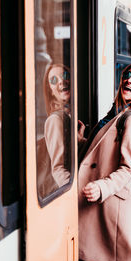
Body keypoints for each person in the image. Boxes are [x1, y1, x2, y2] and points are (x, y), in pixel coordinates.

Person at [78, 62, 131, 261]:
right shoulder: (116, 113)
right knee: (90, 255)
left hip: (110, 204)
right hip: (99, 203)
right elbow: (100, 154)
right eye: (127, 75)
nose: (129, 81)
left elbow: (128, 168)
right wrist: (80, 139)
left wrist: (101, 187)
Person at [37, 63, 85, 197]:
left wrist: (79, 141)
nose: (61, 81)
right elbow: (58, 169)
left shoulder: (69, 116)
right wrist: (77, 195)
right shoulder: (55, 120)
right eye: (54, 80)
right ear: (51, 91)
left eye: (65, 75)